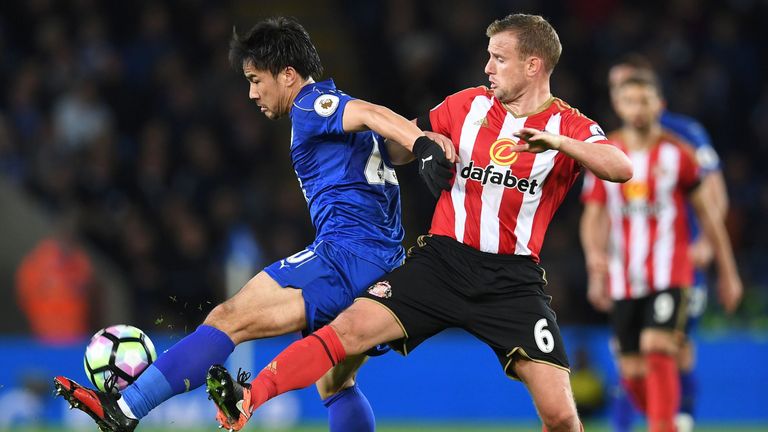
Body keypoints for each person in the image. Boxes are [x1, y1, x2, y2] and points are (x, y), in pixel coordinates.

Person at [205, 14, 632, 432]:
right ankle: (249, 398)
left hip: (513, 281)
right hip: (441, 262)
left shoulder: (570, 125)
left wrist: (560, 144)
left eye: (499, 58)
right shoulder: (467, 105)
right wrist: (424, 142)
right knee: (346, 332)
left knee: (560, 417)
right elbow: (396, 148)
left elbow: (620, 166)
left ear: (533, 65)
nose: (487, 67)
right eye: (488, 56)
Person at [53, 16, 455, 432]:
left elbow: (373, 113)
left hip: (343, 257)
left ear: (287, 74)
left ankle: (126, 408)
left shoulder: (310, 104)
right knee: (335, 383)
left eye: (255, 79)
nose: (251, 93)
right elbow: (386, 139)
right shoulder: (344, 120)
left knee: (227, 319)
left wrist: (421, 142)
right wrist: (417, 141)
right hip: (385, 266)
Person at [580, 73, 742, 432]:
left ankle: (662, 427)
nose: (638, 109)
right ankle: (669, 422)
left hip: (671, 272)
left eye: (645, 101)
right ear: (618, 106)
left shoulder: (678, 154)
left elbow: (710, 217)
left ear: (659, 105)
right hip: (625, 278)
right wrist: (595, 262)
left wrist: (728, 273)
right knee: (632, 370)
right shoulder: (606, 156)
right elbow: (593, 216)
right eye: (630, 101)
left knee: (659, 346)